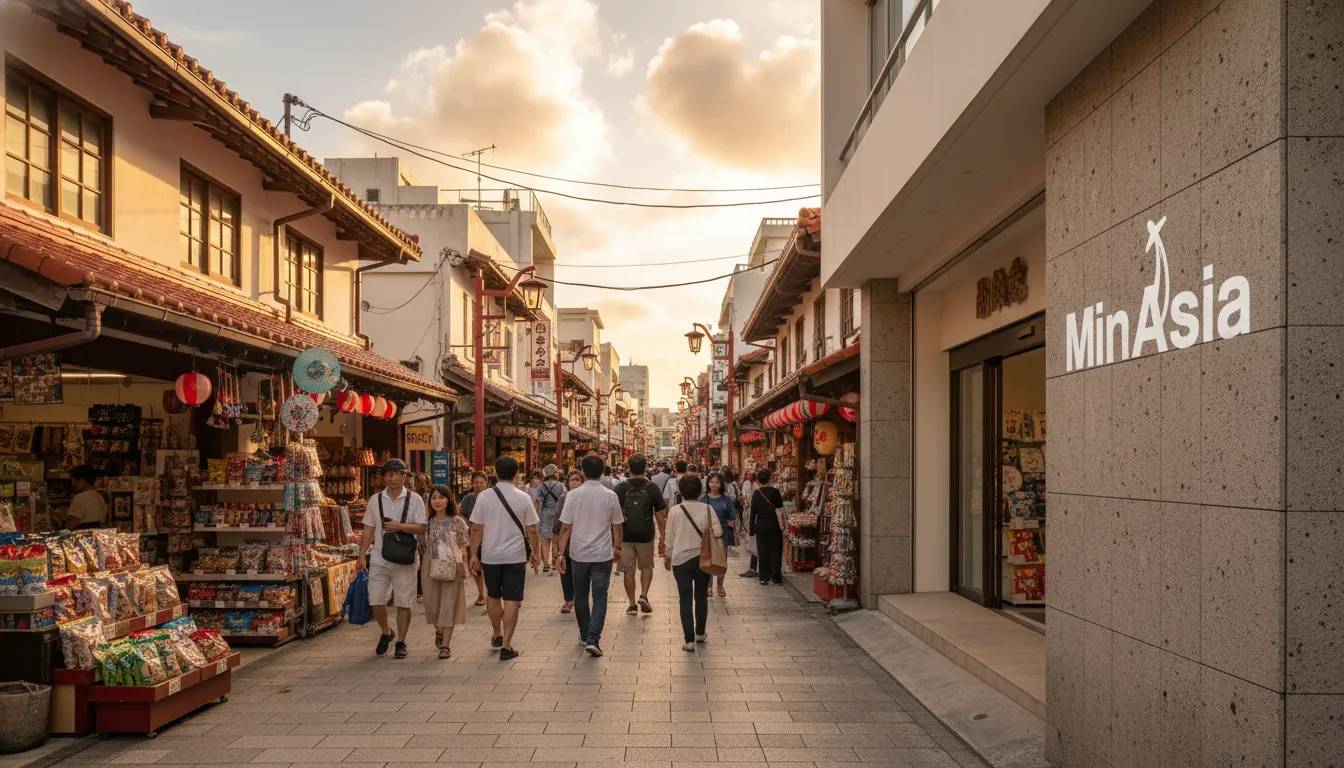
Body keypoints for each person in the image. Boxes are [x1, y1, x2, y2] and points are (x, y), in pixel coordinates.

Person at [466, 455, 540, 661]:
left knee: (493, 595)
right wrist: (536, 552)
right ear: (517, 474)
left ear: (495, 474)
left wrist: (473, 554)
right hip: (515, 555)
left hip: (490, 555)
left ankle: (496, 633)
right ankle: (507, 644)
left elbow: (476, 528)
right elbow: (532, 529)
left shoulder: (484, 496)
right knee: (512, 599)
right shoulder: (523, 497)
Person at [357, 458, 428, 659]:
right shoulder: (375, 499)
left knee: (403, 601)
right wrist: (362, 555)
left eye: (397, 473)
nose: (392, 477)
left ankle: (401, 642)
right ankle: (387, 632)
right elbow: (369, 527)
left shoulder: (414, 499)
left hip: (404, 557)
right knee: (376, 600)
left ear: (404, 476)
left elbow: (422, 527)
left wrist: (401, 526)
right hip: (379, 556)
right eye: (389, 473)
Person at [555, 455, 624, 657]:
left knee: (581, 595)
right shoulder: (610, 496)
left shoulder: (573, 495)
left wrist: (560, 552)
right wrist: (617, 547)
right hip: (602, 554)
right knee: (600, 595)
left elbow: (565, 527)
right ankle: (594, 638)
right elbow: (617, 526)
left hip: (578, 553)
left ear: (583, 472)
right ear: (602, 472)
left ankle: (585, 635)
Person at [663, 473, 721, 651]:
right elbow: (717, 532)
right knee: (701, 595)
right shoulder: (707, 508)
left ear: (681, 491)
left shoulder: (674, 510)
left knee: (685, 599)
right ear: (700, 490)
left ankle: (689, 640)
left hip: (680, 559)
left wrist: (667, 556)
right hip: (703, 558)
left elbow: (669, 537)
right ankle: (700, 633)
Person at [613, 454, 667, 616]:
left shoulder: (620, 488)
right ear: (645, 467)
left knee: (628, 570)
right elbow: (660, 515)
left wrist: (614, 541)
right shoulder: (652, 488)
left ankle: (631, 604)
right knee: (646, 566)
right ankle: (643, 595)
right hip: (646, 535)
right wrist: (662, 537)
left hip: (625, 536)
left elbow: (614, 515)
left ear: (628, 467)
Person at [421, 485, 469, 659]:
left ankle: (446, 646)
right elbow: (421, 543)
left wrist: (464, 565)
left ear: (449, 499)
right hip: (430, 565)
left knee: (448, 604)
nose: (437, 501)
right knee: (432, 604)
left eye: (441, 497)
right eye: (434, 497)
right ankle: (439, 629)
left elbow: (464, 545)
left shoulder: (458, 521)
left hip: (452, 566)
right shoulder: (426, 522)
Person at [553, 469, 585, 614]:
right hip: (566, 540)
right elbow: (557, 522)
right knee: (566, 570)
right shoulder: (563, 498)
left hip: (582, 540)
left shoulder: (586, 497)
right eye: (572, 480)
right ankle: (568, 599)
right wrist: (555, 543)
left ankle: (579, 598)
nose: (575, 482)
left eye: (578, 480)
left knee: (581, 572)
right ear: (567, 483)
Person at [699, 472, 736, 597]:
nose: (714, 485)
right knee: (708, 559)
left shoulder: (726, 499)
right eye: (712, 482)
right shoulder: (703, 499)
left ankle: (720, 584)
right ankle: (708, 586)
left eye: (717, 482)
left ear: (721, 484)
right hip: (707, 535)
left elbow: (732, 516)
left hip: (722, 534)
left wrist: (731, 523)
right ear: (708, 483)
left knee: (721, 560)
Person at [749, 468, 785, 585]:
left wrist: (751, 529)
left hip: (761, 526)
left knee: (763, 552)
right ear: (770, 479)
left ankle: (764, 577)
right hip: (774, 526)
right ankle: (776, 577)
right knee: (776, 551)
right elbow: (780, 508)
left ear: (758, 480)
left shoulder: (756, 493)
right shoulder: (775, 492)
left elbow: (753, 513)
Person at [458, 471, 489, 606]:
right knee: (476, 566)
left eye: (482, 482)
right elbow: (463, 515)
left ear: (486, 484)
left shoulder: (490, 498)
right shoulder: (467, 499)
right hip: (472, 536)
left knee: (489, 567)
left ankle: (492, 593)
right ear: (472, 484)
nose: (479, 485)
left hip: (489, 536)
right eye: (476, 482)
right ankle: (481, 593)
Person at [535, 465, 566, 575]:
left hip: (544, 513)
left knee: (545, 539)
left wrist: (537, 515)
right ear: (555, 473)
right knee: (556, 538)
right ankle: (554, 562)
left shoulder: (540, 486)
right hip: (557, 514)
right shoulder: (561, 486)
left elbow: (538, 501)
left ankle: (546, 564)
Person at [64, 465, 107, 530]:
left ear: (82, 481)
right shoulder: (99, 497)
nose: (72, 485)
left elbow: (70, 525)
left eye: (73, 481)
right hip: (97, 536)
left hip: (82, 537)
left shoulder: (79, 498)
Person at [738, 469, 759, 579]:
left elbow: (745, 501)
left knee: (753, 540)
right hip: (758, 516)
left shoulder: (746, 484)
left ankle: (753, 568)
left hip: (751, 515)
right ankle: (756, 568)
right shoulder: (757, 484)